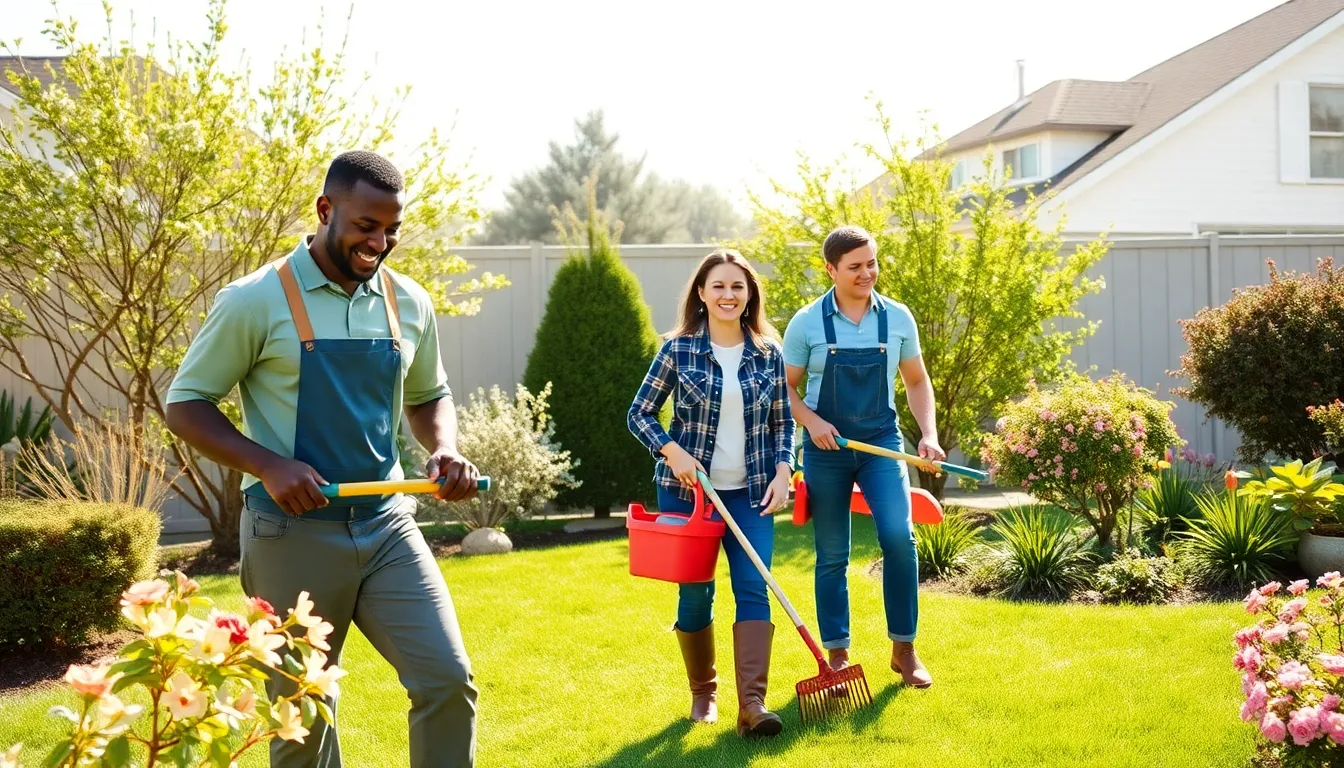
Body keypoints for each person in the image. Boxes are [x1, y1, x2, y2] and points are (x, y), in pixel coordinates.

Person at [165, 150, 482, 766]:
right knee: (301, 718)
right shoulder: (254, 300)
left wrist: (443, 447)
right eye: (367, 225)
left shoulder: (408, 301)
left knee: (446, 679)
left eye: (391, 229)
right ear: (325, 210)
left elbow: (428, 394)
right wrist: (268, 465)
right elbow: (187, 405)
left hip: (386, 525)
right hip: (290, 535)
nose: (380, 242)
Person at [627, 249, 794, 737]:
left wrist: (785, 470)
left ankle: (753, 706)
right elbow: (639, 413)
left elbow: (784, 423)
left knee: (753, 589)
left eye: (737, 287)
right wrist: (671, 451)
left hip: (752, 493)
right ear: (701, 293)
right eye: (718, 286)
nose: (728, 295)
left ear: (749, 295)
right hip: (689, 497)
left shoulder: (768, 352)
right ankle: (704, 692)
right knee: (696, 595)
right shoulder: (677, 349)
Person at [781, 224, 945, 689]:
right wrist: (811, 422)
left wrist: (927, 435)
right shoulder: (807, 322)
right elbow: (786, 389)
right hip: (825, 451)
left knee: (898, 537)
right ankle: (837, 654)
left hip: (881, 444)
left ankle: (904, 649)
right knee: (832, 554)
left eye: (871, 263)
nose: (867, 273)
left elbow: (916, 381)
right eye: (855, 267)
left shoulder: (897, 318)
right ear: (830, 269)